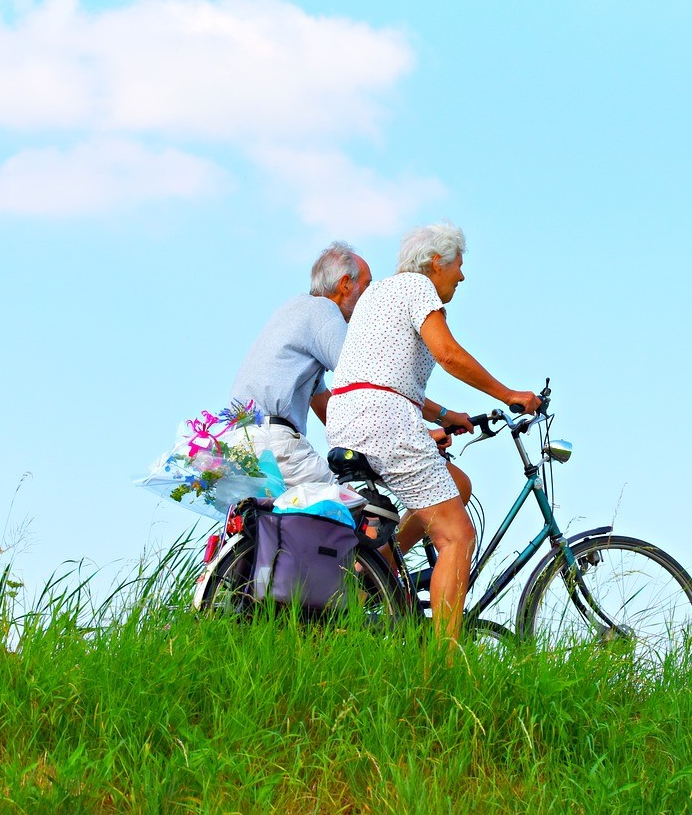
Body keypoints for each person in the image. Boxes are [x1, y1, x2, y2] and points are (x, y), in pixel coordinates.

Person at [326, 221, 541, 641]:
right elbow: (447, 353)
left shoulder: (380, 294)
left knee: (456, 484)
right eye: (459, 265)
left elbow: (381, 374)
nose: (461, 276)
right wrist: (508, 393)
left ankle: (377, 572)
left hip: (351, 417)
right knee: (457, 535)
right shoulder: (417, 286)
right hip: (383, 420)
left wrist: (444, 416)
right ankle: (442, 667)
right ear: (437, 262)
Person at [224, 242, 372, 489]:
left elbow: (323, 401)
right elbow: (365, 378)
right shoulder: (324, 311)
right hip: (274, 443)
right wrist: (408, 437)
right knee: (352, 510)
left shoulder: (294, 309)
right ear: (346, 284)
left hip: (239, 444)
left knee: (278, 523)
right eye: (367, 286)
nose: (370, 296)